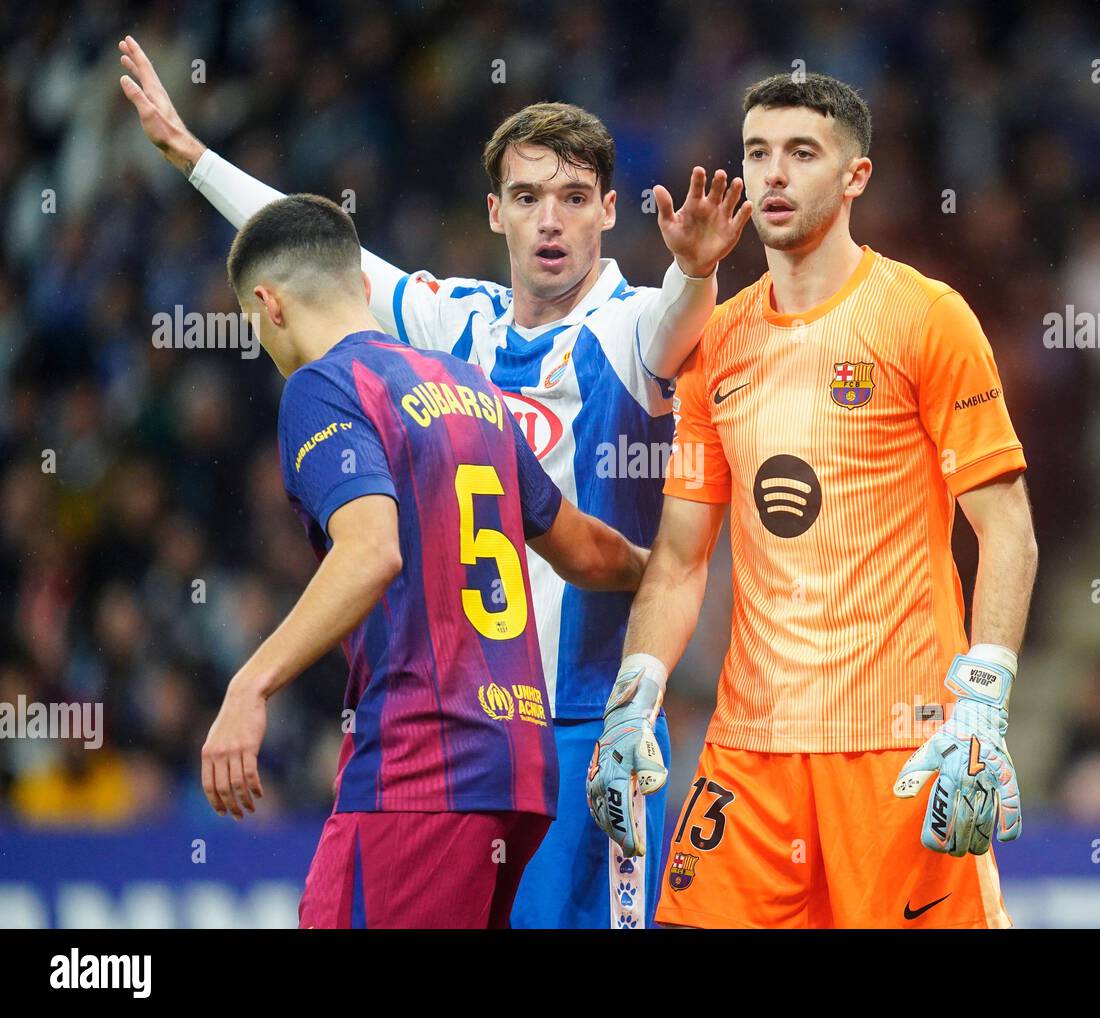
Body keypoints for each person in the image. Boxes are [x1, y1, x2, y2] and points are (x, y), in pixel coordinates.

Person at [118, 33, 751, 929]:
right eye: (528, 198)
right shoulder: (458, 323)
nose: (550, 221)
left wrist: (696, 269)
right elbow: (319, 256)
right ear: (494, 211)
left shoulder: (629, 327)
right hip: (482, 734)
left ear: (610, 210)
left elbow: (679, 321)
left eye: (575, 199)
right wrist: (194, 159)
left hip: (593, 728)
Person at [586, 72, 1039, 928]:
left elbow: (1007, 529)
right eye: (758, 153)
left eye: (803, 153)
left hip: (900, 746)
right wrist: (633, 699)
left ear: (855, 177)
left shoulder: (926, 317)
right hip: (749, 752)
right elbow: (682, 556)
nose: (775, 176)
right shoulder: (715, 343)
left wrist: (983, 702)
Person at [202, 192, 649, 929]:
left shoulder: (323, 386)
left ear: (268, 305)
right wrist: (668, 567)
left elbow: (370, 550)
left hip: (423, 769)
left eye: (253, 326)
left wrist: (250, 684)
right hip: (522, 773)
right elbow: (586, 551)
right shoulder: (469, 386)